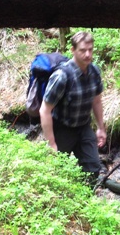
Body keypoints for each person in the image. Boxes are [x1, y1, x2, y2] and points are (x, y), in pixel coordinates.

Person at [39, 31, 106, 182]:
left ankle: (86, 200)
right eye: (83, 50)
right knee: (56, 170)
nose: (87, 54)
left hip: (83, 126)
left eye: (90, 50)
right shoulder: (62, 76)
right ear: (73, 50)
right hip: (62, 128)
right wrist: (51, 143)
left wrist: (101, 128)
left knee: (93, 169)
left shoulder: (94, 72)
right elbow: (45, 110)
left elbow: (96, 101)